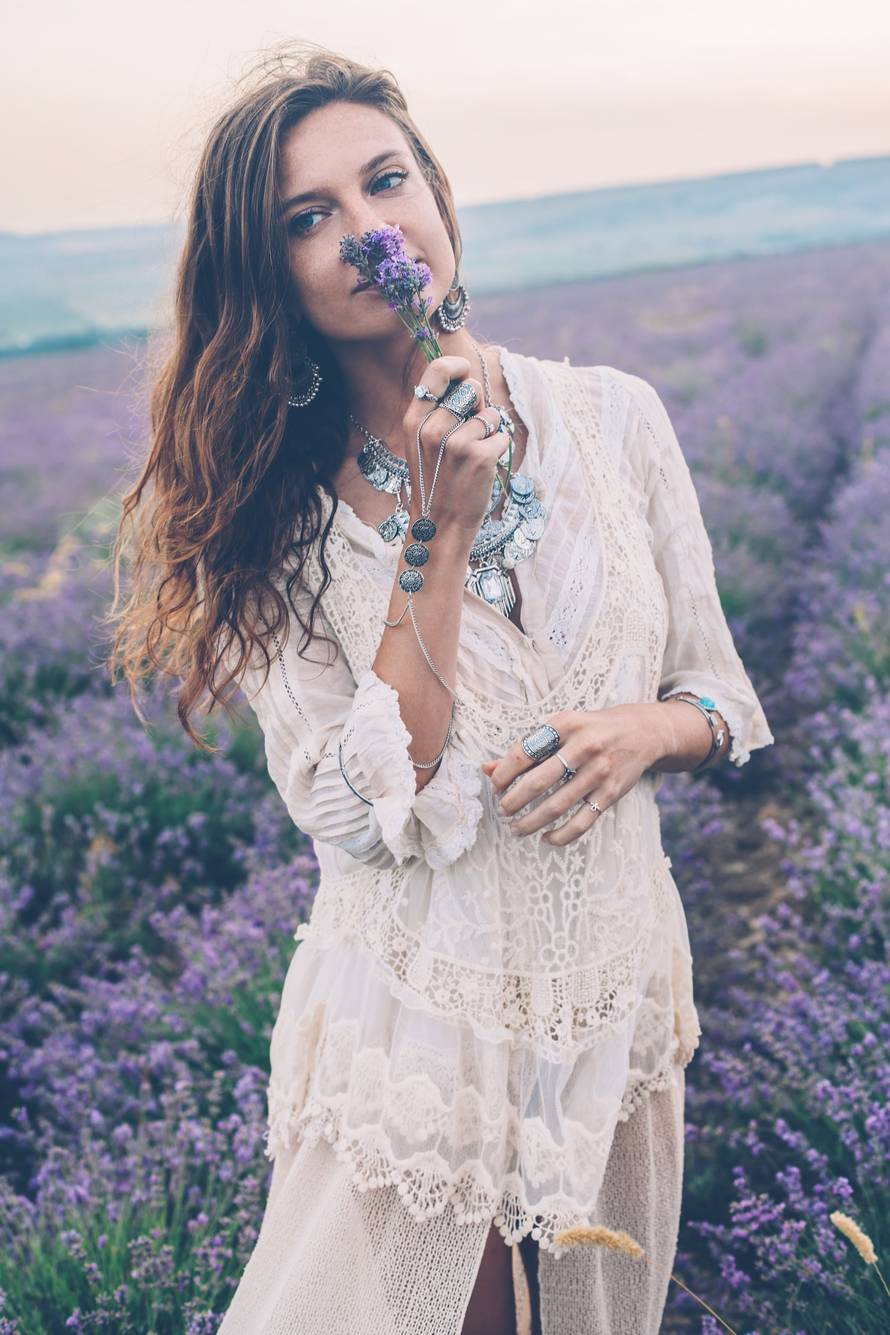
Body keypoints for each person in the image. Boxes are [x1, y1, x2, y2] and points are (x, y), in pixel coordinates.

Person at [108, 40, 775, 1335]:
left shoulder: (614, 418)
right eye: (310, 218)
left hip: (612, 1000)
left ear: (438, 196)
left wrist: (649, 729)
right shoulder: (270, 524)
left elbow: (721, 696)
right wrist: (438, 534)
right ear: (273, 275)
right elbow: (357, 815)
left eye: (385, 182)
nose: (367, 231)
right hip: (424, 1024)